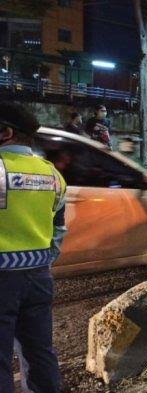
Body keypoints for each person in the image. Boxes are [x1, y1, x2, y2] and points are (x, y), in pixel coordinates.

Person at [0, 102, 67, 392]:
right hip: (39, 277)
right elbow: (59, 230)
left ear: (5, 132)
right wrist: (40, 261)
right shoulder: (52, 175)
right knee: (39, 352)